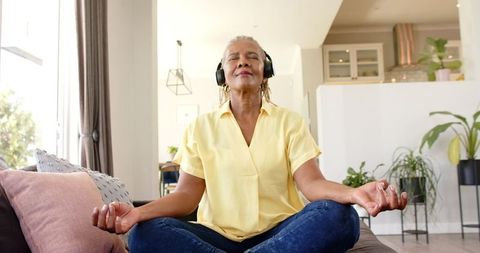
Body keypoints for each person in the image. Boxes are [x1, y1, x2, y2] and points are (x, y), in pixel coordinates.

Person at [92, 36, 408, 253]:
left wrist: (353, 194)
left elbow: (311, 184)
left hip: (282, 231)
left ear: (264, 71)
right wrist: (137, 213)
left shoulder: (291, 122)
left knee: (341, 218)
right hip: (216, 236)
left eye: (252, 57)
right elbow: (187, 197)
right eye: (234, 59)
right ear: (223, 74)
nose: (243, 62)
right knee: (143, 233)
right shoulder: (200, 127)